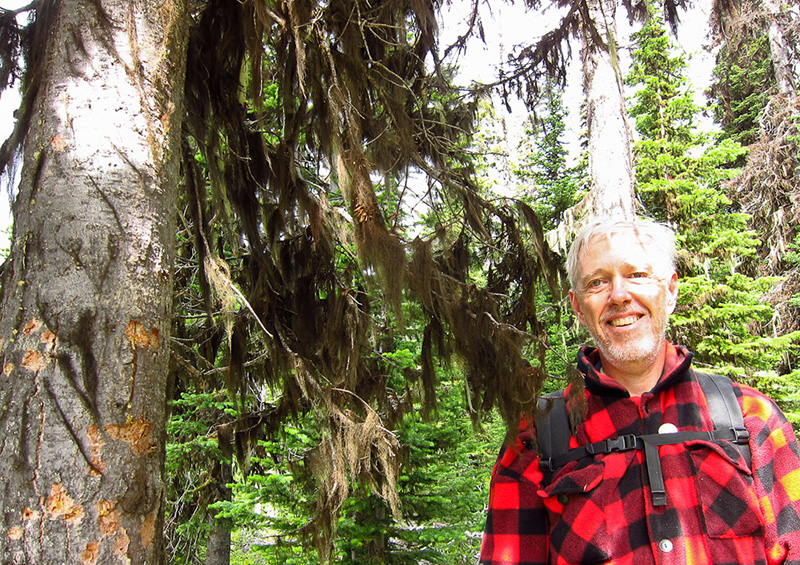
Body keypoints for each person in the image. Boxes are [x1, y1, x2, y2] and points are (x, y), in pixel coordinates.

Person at [480, 218, 800, 564]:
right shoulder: (535, 436)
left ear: (671, 290)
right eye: (597, 282)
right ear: (578, 306)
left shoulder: (752, 417)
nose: (619, 295)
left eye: (637, 275)